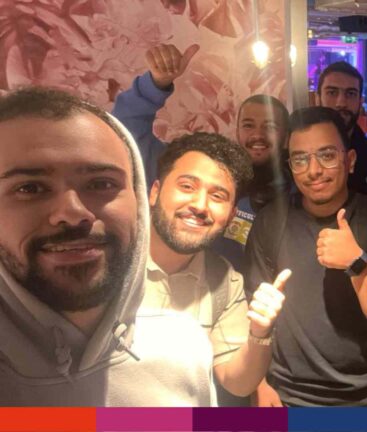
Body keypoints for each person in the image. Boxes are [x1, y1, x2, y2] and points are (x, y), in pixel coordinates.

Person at [0, 87, 214, 406]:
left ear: (139, 201)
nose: (72, 213)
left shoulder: (184, 347)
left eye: (101, 184)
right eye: (30, 188)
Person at [246, 107, 367, 406]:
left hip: (364, 399)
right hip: (283, 396)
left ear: (349, 161)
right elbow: (248, 310)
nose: (313, 170)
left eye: (326, 155)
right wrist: (257, 381)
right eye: (300, 159)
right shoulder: (271, 221)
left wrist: (358, 264)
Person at [112, 43, 291, 273]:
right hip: (191, 294)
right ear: (237, 131)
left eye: (270, 127)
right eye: (248, 125)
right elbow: (125, 136)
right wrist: (155, 85)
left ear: (286, 137)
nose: (257, 134)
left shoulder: (299, 194)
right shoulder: (200, 171)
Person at [142, 132, 287, 403]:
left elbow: (238, 382)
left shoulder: (224, 281)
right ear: (155, 192)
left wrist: (260, 333)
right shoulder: (102, 265)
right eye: (187, 186)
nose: (199, 205)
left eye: (218, 196)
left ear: (232, 215)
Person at [316, 61, 367, 199]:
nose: (341, 103)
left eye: (350, 93)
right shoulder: (299, 152)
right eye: (332, 92)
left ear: (360, 101)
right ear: (318, 98)